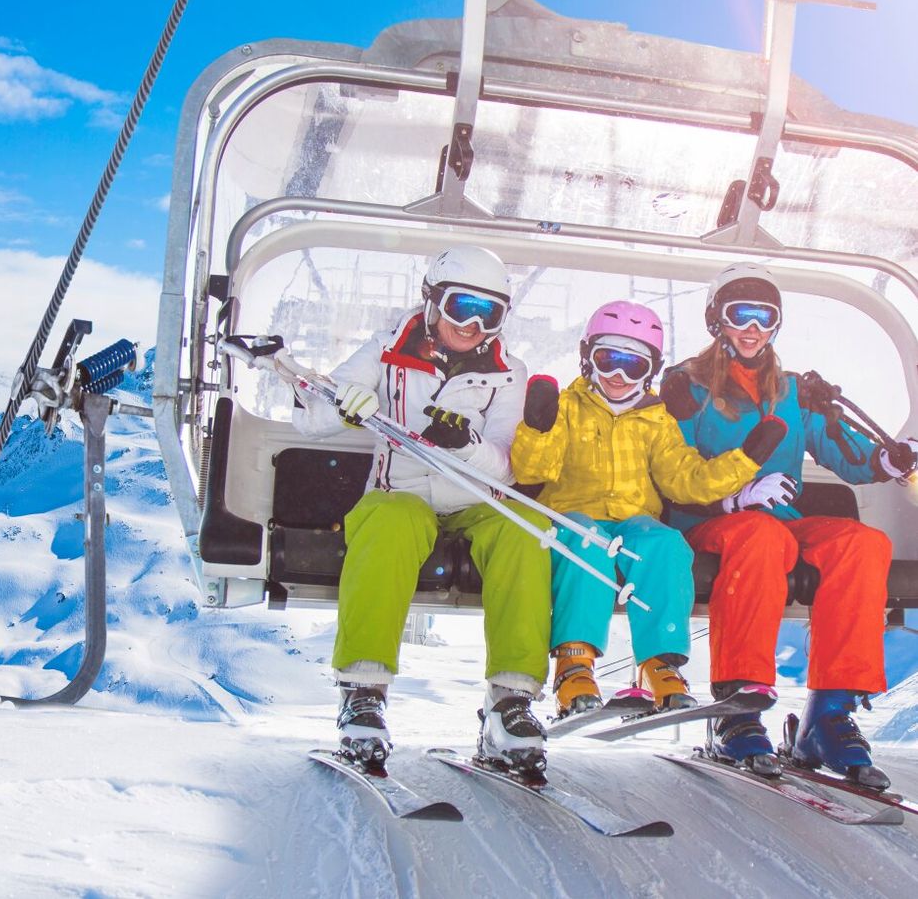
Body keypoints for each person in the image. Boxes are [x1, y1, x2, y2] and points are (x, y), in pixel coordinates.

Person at [293, 245, 552, 773]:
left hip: (475, 499)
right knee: (389, 522)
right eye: (462, 306)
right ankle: (363, 691)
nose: (473, 324)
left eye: (490, 313)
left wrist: (464, 448)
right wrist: (346, 405)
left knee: (528, 529)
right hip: (401, 492)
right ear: (433, 301)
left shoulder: (509, 373)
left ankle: (510, 701)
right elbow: (310, 417)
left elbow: (504, 466)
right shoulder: (384, 351)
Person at [661, 262, 915, 788]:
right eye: (741, 315)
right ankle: (739, 708)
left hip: (781, 520)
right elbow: (669, 468)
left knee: (864, 544)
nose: (753, 329)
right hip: (710, 521)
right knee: (760, 536)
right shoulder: (686, 387)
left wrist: (886, 461)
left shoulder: (793, 391)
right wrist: (734, 497)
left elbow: (844, 453)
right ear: (717, 321)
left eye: (765, 317)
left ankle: (829, 714)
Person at [510, 300, 785, 720]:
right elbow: (535, 468)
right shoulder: (569, 407)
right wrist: (538, 426)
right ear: (588, 359)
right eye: (608, 361)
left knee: (666, 544)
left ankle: (659, 661)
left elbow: (684, 479)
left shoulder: (656, 417)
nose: (619, 377)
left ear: (651, 370)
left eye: (633, 366)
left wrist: (744, 461)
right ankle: (574, 662)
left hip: (634, 519)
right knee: (587, 540)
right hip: (571, 514)